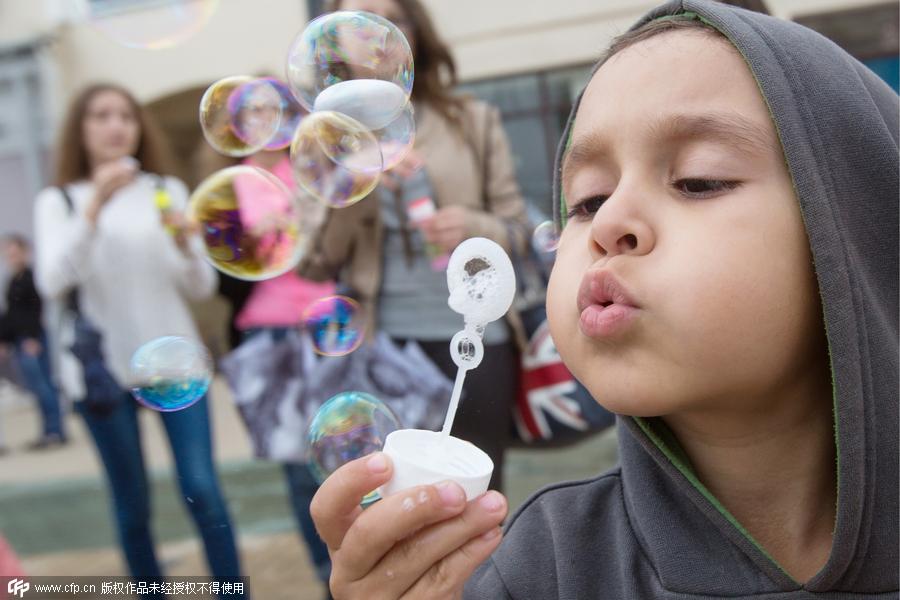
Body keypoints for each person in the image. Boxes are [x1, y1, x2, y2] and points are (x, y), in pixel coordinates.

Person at [309, 1, 898, 597]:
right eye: (588, 200)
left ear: (860, 229)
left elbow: (514, 221)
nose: (607, 220)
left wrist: (470, 223)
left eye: (698, 180)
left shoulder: (466, 121)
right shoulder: (536, 568)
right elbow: (322, 253)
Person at [301, 0, 531, 494]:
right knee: (392, 499)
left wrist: (472, 225)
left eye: (394, 19)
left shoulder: (472, 119)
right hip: (383, 347)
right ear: (332, 44)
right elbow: (315, 263)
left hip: (475, 340)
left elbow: (519, 230)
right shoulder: (329, 138)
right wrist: (351, 183)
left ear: (415, 33)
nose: (378, 32)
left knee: (476, 497)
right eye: (360, 19)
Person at [33, 83, 245, 588]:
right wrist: (94, 211)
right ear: (80, 131)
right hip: (102, 371)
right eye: (101, 115)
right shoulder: (60, 200)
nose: (116, 125)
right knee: (132, 504)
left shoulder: (164, 190)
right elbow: (52, 282)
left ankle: (232, 592)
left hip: (175, 364)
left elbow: (200, 284)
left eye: (125, 115)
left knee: (202, 488)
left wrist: (189, 245)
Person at [230, 147, 336, 592]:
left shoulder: (310, 169)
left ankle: (352, 562)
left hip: (328, 318)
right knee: (297, 463)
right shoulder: (240, 180)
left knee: (341, 447)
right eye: (252, 111)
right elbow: (239, 261)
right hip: (270, 328)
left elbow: (329, 241)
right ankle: (325, 575)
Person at [0, 234, 66, 449]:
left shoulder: (31, 278)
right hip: (21, 340)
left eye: (14, 252)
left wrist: (32, 337)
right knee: (37, 388)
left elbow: (35, 311)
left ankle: (55, 431)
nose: (11, 257)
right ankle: (47, 431)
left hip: (32, 340)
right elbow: (12, 316)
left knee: (44, 386)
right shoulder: (13, 280)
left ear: (24, 253)